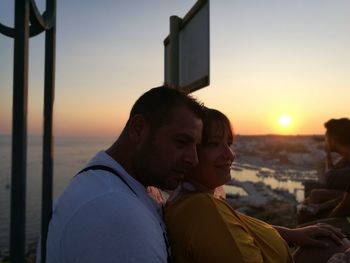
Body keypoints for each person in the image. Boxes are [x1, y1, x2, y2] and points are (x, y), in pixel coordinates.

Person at [164, 108, 349, 263]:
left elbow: (237, 228)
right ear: (190, 151)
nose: (230, 154)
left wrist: (290, 234)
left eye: (229, 143)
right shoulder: (202, 208)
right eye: (213, 144)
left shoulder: (200, 202)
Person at [44, 86, 204, 263]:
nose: (194, 159)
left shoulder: (107, 185)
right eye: (182, 142)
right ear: (138, 130)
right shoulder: (117, 213)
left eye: (196, 146)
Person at [298, 118, 350, 223]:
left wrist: (325, 222)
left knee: (314, 194)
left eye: (326, 137)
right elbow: (333, 173)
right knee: (312, 192)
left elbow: (330, 178)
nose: (325, 141)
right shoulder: (347, 157)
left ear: (333, 139)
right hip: (342, 196)